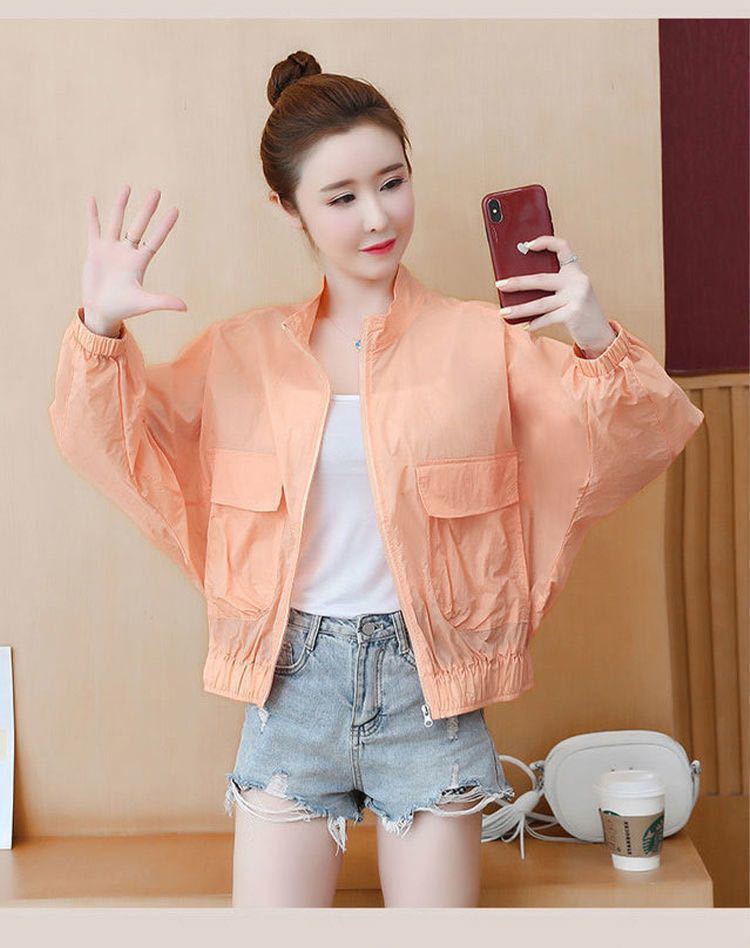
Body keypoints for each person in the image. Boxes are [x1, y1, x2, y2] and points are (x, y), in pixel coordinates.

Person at [48, 50, 705, 908]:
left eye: (392, 182)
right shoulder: (241, 355)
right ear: (287, 209)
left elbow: (635, 441)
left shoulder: (485, 343)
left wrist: (592, 336)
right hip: (291, 686)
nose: (377, 217)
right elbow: (108, 441)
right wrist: (99, 330)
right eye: (341, 197)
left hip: (432, 691)